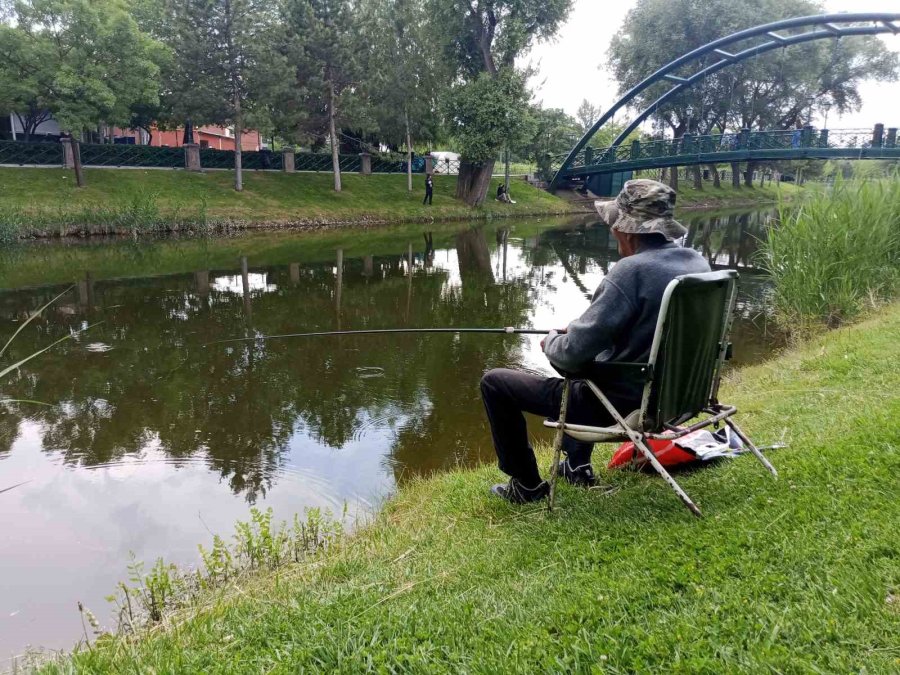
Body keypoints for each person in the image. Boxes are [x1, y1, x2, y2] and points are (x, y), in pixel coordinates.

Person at [480, 179, 711, 504]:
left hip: (622, 404)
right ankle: (576, 466)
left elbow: (570, 358)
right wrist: (578, 336)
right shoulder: (696, 263)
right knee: (595, 359)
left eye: (613, 224)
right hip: (679, 395)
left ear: (626, 229)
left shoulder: (630, 272)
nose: (611, 230)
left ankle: (527, 486)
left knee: (495, 383)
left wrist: (554, 342)